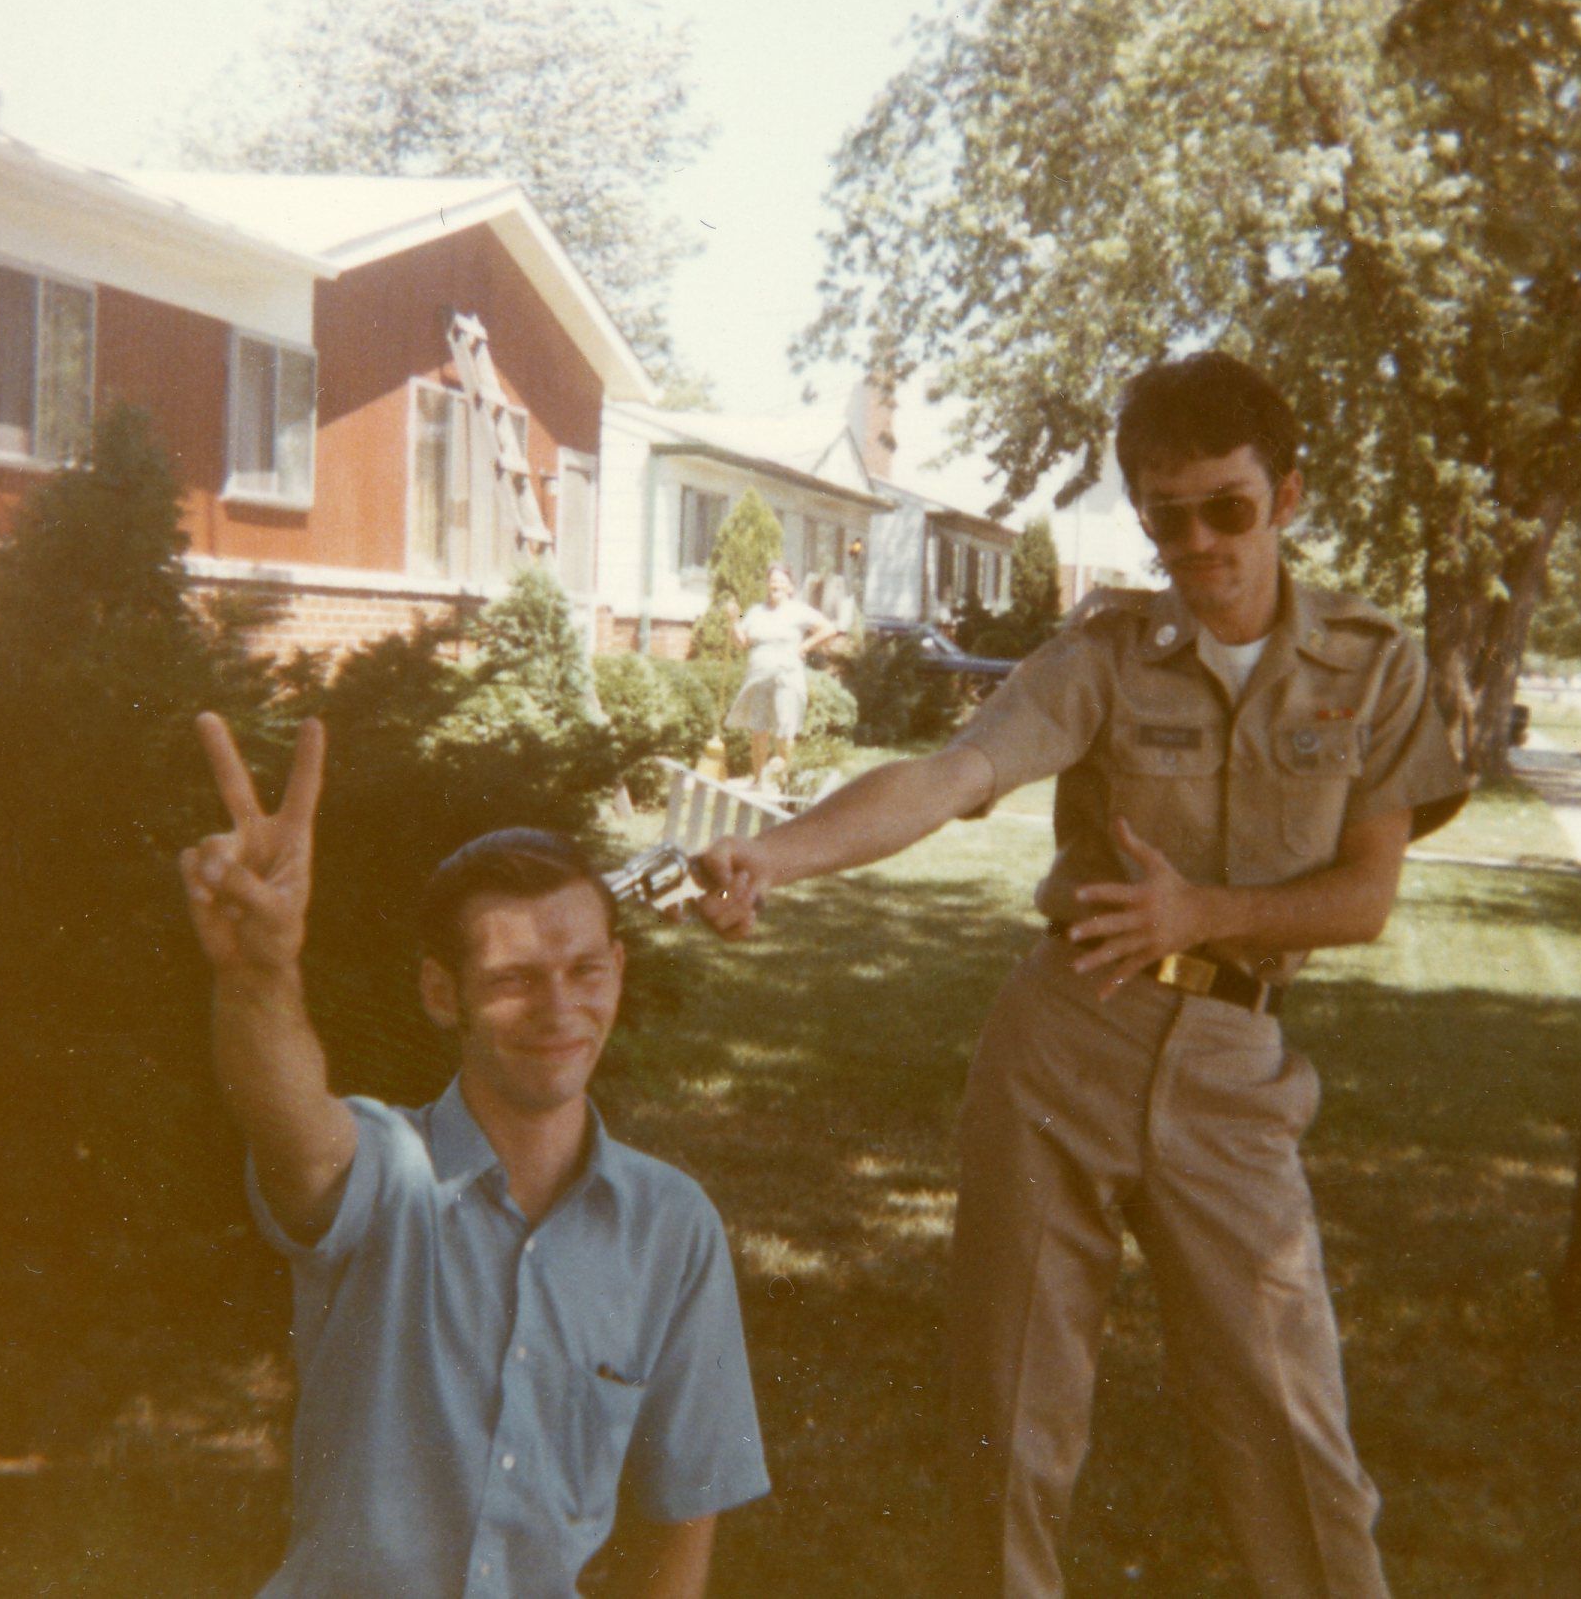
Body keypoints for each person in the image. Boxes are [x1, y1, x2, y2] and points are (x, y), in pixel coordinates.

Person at [697, 353, 1469, 1598]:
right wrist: (772, 856)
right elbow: (952, 776)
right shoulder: (1107, 651)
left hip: (1235, 1065)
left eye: (1228, 507)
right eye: (1168, 516)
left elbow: (1365, 898)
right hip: (1065, 1045)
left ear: (1287, 497)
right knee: (1012, 1419)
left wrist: (1203, 910)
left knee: (1291, 1417)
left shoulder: (1373, 663)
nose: (1199, 542)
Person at [180, 714, 770, 1599]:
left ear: (617, 967)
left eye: (584, 970)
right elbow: (290, 1127)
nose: (559, 1009)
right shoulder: (386, 1174)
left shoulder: (672, 1226)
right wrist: (257, 973)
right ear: (440, 991)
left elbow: (685, 1511)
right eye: (513, 979)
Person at [723, 562, 839, 790]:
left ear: (790, 587)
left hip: (787, 676)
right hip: (758, 677)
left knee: (784, 730)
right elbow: (741, 643)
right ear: (767, 585)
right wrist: (734, 620)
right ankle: (758, 781)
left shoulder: (799, 610)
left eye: (781, 581)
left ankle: (783, 782)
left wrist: (805, 646)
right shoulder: (756, 612)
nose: (775, 585)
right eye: (772, 580)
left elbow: (829, 629)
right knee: (758, 729)